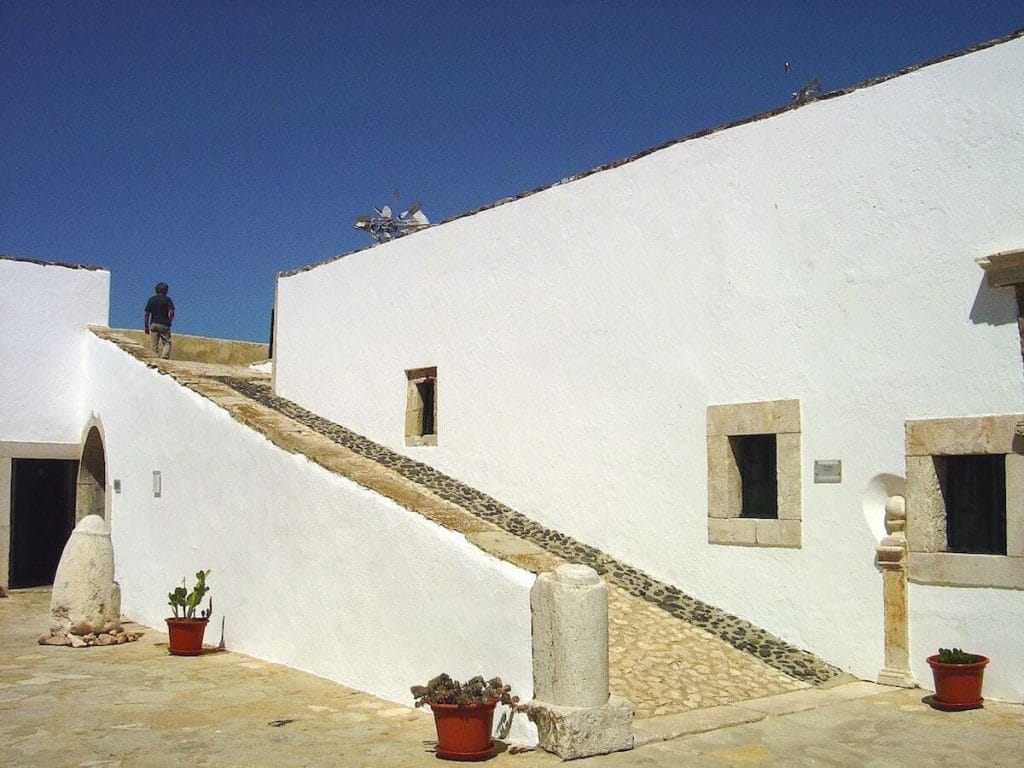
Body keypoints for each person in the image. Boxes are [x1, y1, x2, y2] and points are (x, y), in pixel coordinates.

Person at [144, 282, 175, 359]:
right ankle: (164, 357)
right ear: (165, 291)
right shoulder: (167, 300)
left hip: (153, 324)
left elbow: (146, 314)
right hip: (164, 324)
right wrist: (170, 321)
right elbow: (170, 312)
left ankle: (154, 357)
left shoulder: (151, 300)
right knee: (167, 342)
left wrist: (146, 326)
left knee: (154, 343)